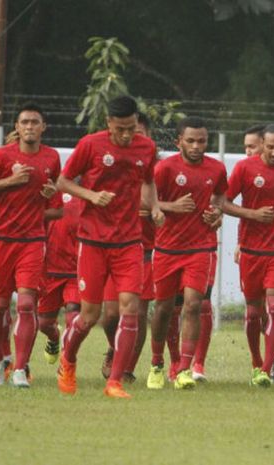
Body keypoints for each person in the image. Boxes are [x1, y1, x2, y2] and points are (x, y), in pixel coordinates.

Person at [56, 95, 164, 399]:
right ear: (108, 123)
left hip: (130, 242)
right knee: (90, 316)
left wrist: (154, 208)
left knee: (130, 308)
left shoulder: (146, 147)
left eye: (131, 128)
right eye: (120, 129)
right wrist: (90, 196)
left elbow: (148, 181)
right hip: (92, 241)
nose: (127, 135)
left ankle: (114, 382)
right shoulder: (91, 145)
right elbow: (63, 182)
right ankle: (68, 360)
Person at [0, 103, 61, 388]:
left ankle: (21, 369)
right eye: (24, 122)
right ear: (17, 127)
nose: (30, 127)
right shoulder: (2, 156)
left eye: (35, 122)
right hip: (1, 240)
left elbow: (57, 208)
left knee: (26, 304)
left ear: (43, 127)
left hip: (33, 242)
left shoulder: (51, 158)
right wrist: (11, 180)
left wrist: (50, 194)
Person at [149, 116, 226, 390]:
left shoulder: (216, 169)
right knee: (164, 308)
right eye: (191, 141)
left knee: (194, 305)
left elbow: (219, 198)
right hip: (168, 248)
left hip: (200, 247)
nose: (196, 146)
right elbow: (146, 200)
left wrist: (216, 215)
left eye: (202, 141)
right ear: (178, 141)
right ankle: (157, 362)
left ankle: (184, 369)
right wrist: (170, 207)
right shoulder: (165, 168)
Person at [223, 123, 274, 386]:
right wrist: (251, 214)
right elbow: (221, 202)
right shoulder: (245, 168)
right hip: (251, 251)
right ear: (262, 144)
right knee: (254, 313)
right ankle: (256, 362)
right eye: (271, 147)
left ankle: (268, 368)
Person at [99, 112, 156, 383]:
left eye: (139, 133)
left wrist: (158, 210)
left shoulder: (153, 166)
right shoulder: (114, 164)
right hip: (110, 246)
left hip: (142, 249)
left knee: (137, 311)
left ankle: (127, 368)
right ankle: (115, 346)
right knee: (110, 315)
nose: (133, 137)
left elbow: (161, 203)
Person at [36, 191, 81, 367]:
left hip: (76, 272)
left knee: (74, 316)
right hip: (50, 271)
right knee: (44, 324)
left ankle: (67, 361)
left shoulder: (89, 199)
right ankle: (54, 337)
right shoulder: (49, 196)